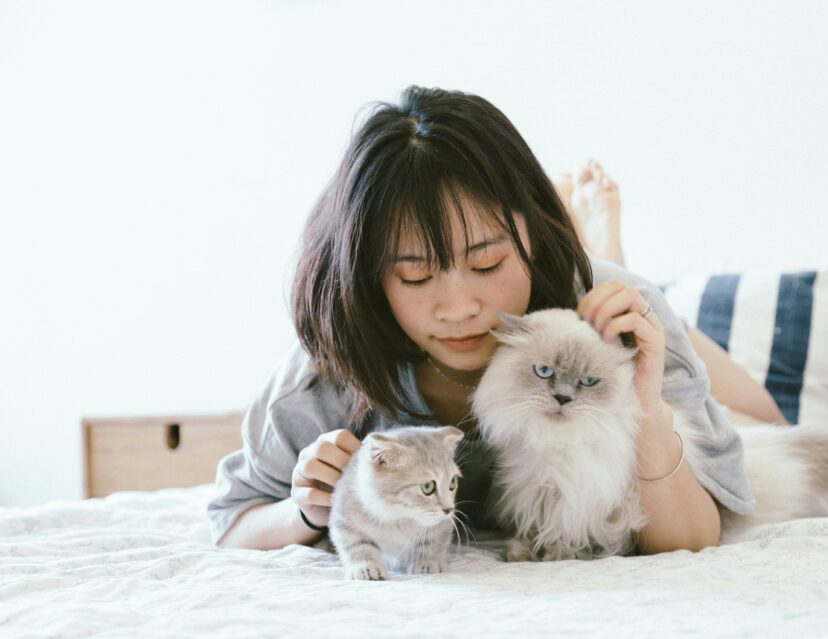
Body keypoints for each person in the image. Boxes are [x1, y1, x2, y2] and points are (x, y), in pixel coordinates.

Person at [208, 85, 780, 554]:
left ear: (532, 228)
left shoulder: (623, 317)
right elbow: (234, 524)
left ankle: (604, 247)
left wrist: (648, 409)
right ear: (366, 277)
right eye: (413, 275)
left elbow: (694, 536)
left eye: (487, 261)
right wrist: (303, 511)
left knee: (769, 423)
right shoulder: (326, 370)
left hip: (586, 303)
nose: (458, 308)